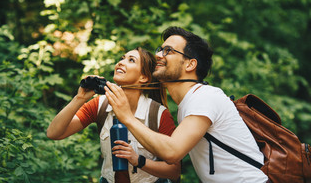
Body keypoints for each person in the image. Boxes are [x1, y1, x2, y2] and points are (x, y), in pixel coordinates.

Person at [105, 27, 269, 183]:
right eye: (160, 50)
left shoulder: (204, 96)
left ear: (190, 64)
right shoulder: (189, 102)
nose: (159, 55)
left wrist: (127, 117)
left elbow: (172, 152)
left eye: (168, 51)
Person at [46, 47, 181, 183]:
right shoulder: (100, 105)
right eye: (122, 58)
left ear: (144, 77)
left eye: (131, 60)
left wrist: (138, 160)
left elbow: (174, 171)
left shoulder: (158, 114)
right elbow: (54, 133)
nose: (121, 62)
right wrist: (79, 98)